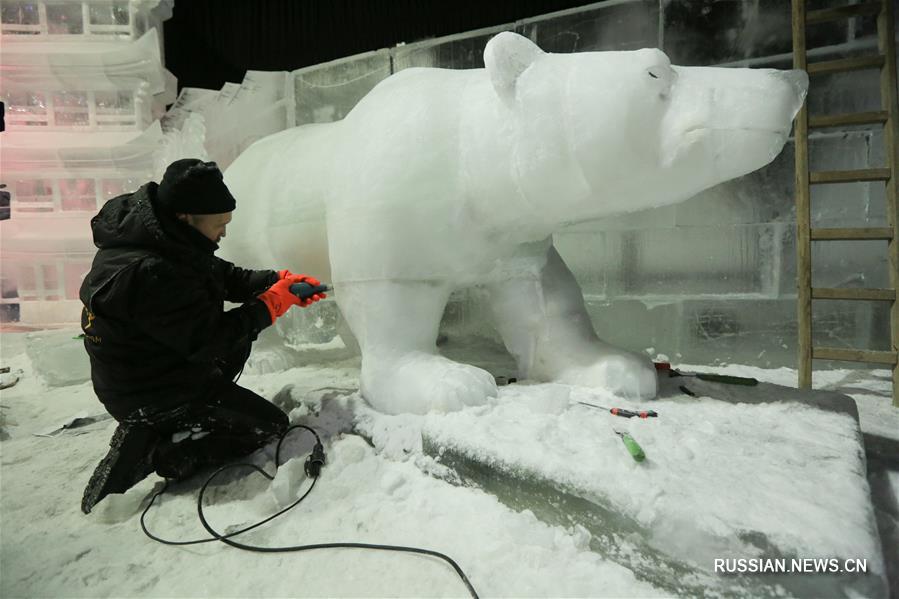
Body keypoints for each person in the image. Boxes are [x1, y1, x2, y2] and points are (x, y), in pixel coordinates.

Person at [79, 158, 326, 514]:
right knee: (268, 427)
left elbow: (224, 277)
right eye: (219, 225)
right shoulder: (150, 273)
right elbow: (211, 341)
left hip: (159, 365)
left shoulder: (168, 237)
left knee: (239, 342)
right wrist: (272, 305)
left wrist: (277, 281)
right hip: (146, 390)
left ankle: (171, 421)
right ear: (186, 217)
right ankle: (157, 448)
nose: (223, 233)